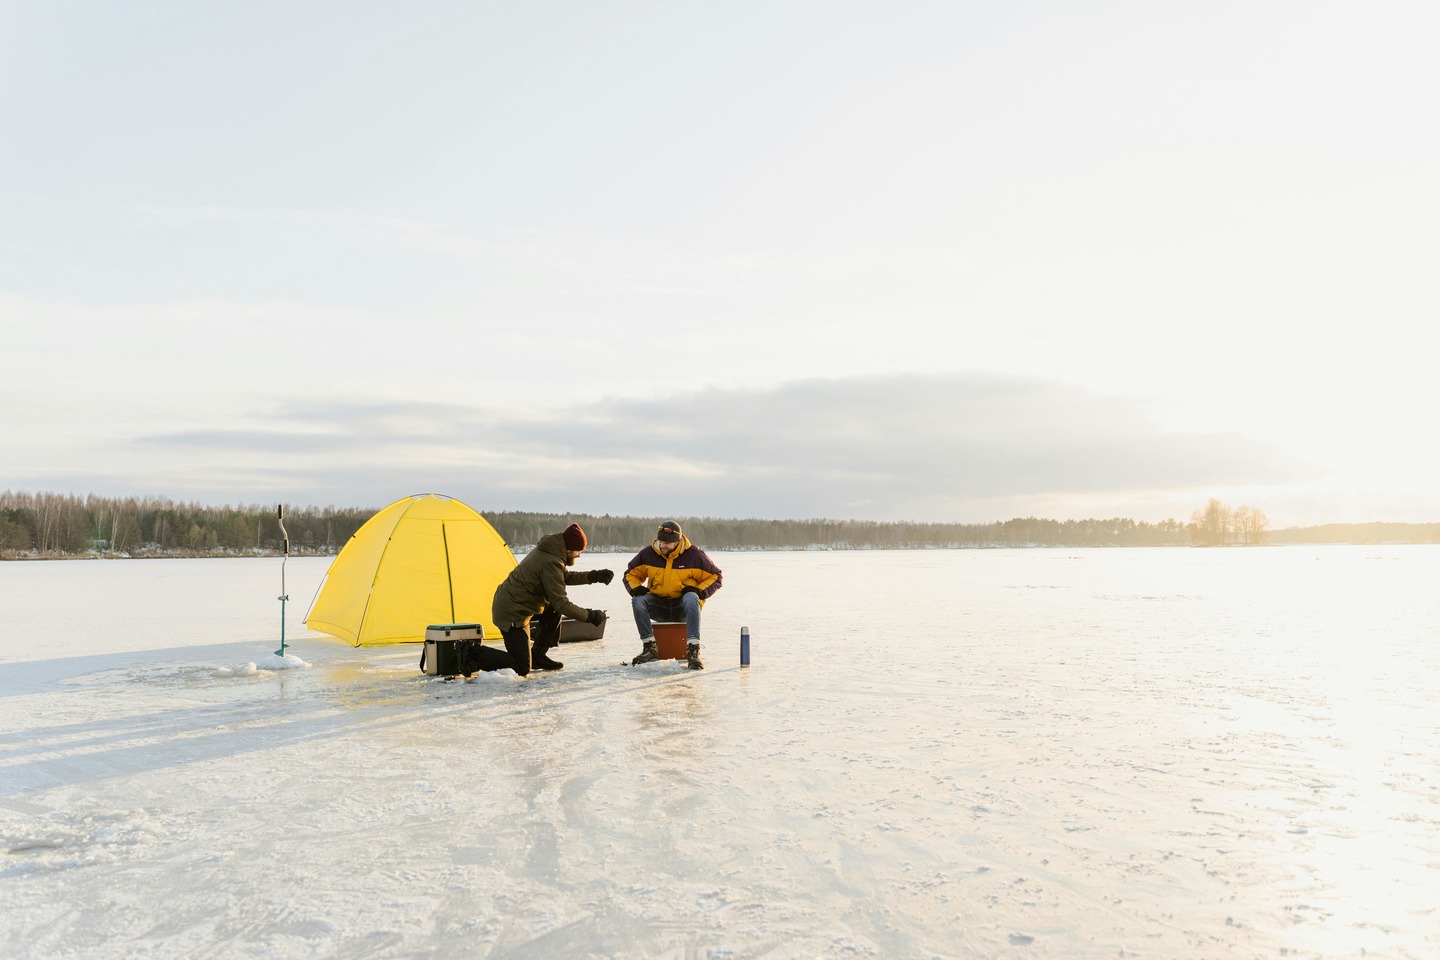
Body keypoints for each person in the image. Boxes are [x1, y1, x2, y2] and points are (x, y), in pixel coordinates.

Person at [491, 522, 611, 676]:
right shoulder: (551, 561)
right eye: (578, 551)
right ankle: (472, 653)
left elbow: (562, 577)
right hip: (512, 613)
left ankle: (538, 656)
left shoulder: (552, 552)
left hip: (519, 604)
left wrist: (594, 576)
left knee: (552, 608)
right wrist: (590, 616)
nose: (579, 555)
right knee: (522, 667)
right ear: (569, 549)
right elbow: (562, 604)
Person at [626, 520, 722, 670]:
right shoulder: (648, 554)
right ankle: (649, 648)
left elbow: (716, 576)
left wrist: (699, 591)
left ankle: (693, 651)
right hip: (658, 606)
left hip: (682, 607)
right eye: (660, 541)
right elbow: (630, 574)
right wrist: (635, 588)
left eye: (667, 543)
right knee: (638, 600)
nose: (662, 545)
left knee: (692, 597)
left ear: (677, 541)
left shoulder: (694, 555)